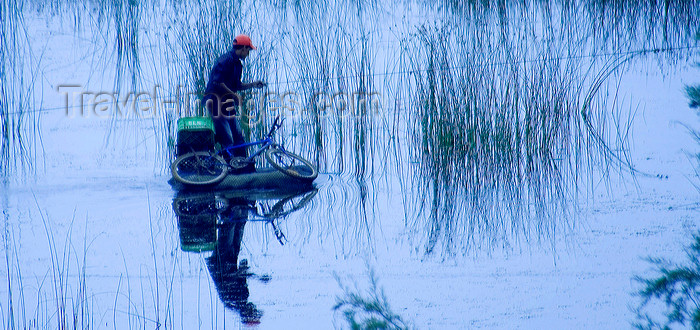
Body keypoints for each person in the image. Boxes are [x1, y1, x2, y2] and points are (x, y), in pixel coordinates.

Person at [202, 34, 266, 172]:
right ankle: (229, 171)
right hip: (215, 103)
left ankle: (243, 168)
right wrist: (234, 95)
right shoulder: (226, 61)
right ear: (242, 48)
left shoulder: (237, 64)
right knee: (228, 140)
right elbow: (217, 83)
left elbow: (236, 85)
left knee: (238, 137)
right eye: (248, 50)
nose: (248, 53)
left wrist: (253, 84)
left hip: (227, 103)